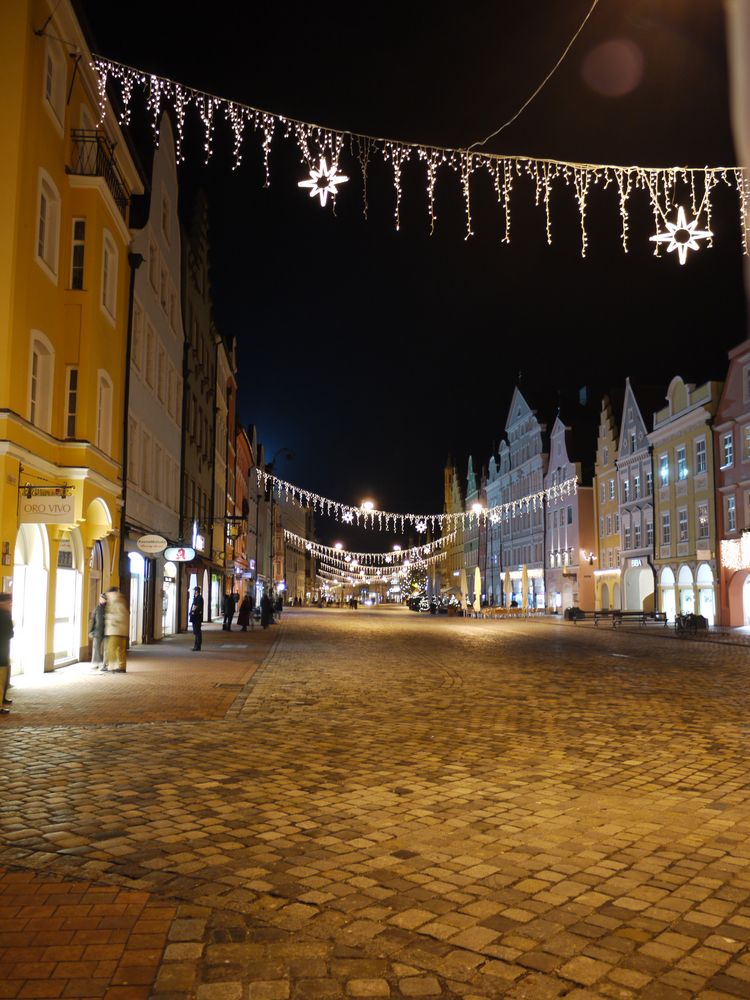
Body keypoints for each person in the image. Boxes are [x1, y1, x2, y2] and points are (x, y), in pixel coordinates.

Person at [104, 587, 129, 672]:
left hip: (115, 630)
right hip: (122, 630)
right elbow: (124, 614)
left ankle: (110, 666)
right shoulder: (121, 600)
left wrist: (112, 621)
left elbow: (118, 615)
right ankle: (122, 667)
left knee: (111, 648)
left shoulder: (114, 601)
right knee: (121, 650)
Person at [0, 593, 13, 715]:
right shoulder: (4, 616)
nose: (10, 605)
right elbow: (9, 634)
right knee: (1, 680)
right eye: (9, 602)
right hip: (2, 653)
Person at [89, 593, 107, 670]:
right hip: (98, 631)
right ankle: (96, 663)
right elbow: (92, 620)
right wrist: (90, 631)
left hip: (106, 631)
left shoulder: (107, 609)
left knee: (105, 648)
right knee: (96, 647)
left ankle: (103, 663)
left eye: (103, 599)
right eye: (101, 599)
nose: (101, 600)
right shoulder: (97, 608)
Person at [190, 586, 204, 650]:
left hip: (197, 617)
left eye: (194, 591)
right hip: (195, 617)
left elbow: (197, 607)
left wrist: (193, 611)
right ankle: (196, 646)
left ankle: (198, 646)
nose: (193, 592)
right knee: (196, 632)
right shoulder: (196, 598)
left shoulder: (199, 598)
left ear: (197, 591)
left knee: (197, 632)